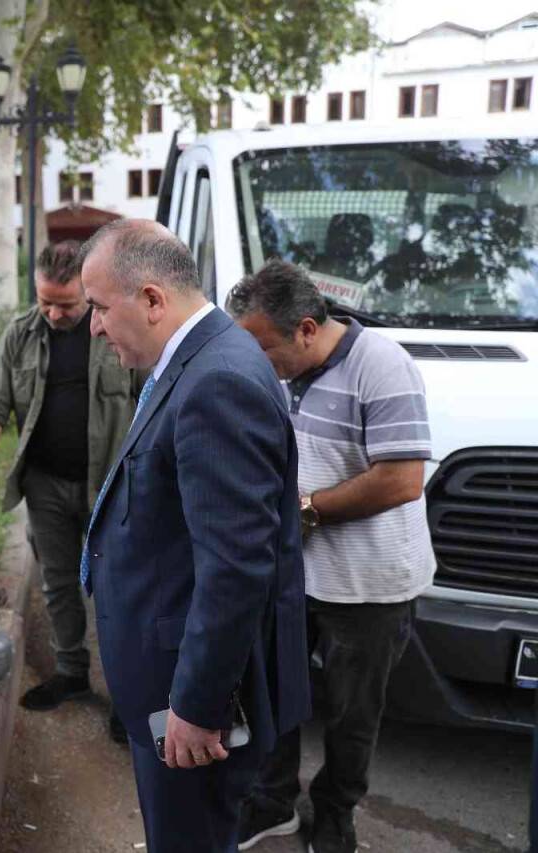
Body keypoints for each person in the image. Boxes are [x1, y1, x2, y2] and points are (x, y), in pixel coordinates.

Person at [79, 220, 311, 852]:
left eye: (100, 307)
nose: (94, 326)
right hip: (169, 672)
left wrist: (197, 706)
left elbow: (236, 569)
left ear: (153, 299)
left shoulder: (217, 380)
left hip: (186, 699)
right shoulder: (197, 361)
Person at [227, 260, 435, 853]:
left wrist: (308, 510)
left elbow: (402, 479)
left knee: (351, 715)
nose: (255, 362)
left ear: (307, 330)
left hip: (369, 585)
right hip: (294, 573)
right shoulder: (280, 370)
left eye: (264, 349)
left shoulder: (383, 366)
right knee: (275, 692)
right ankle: (273, 802)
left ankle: (336, 812)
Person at [0, 239, 135, 732]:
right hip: (45, 485)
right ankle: (71, 672)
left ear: (88, 292)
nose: (55, 314)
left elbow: (152, 398)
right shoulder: (19, 336)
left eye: (67, 304)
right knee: (58, 585)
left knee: (117, 591)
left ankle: (126, 695)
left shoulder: (118, 331)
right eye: (45, 302)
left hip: (111, 488)